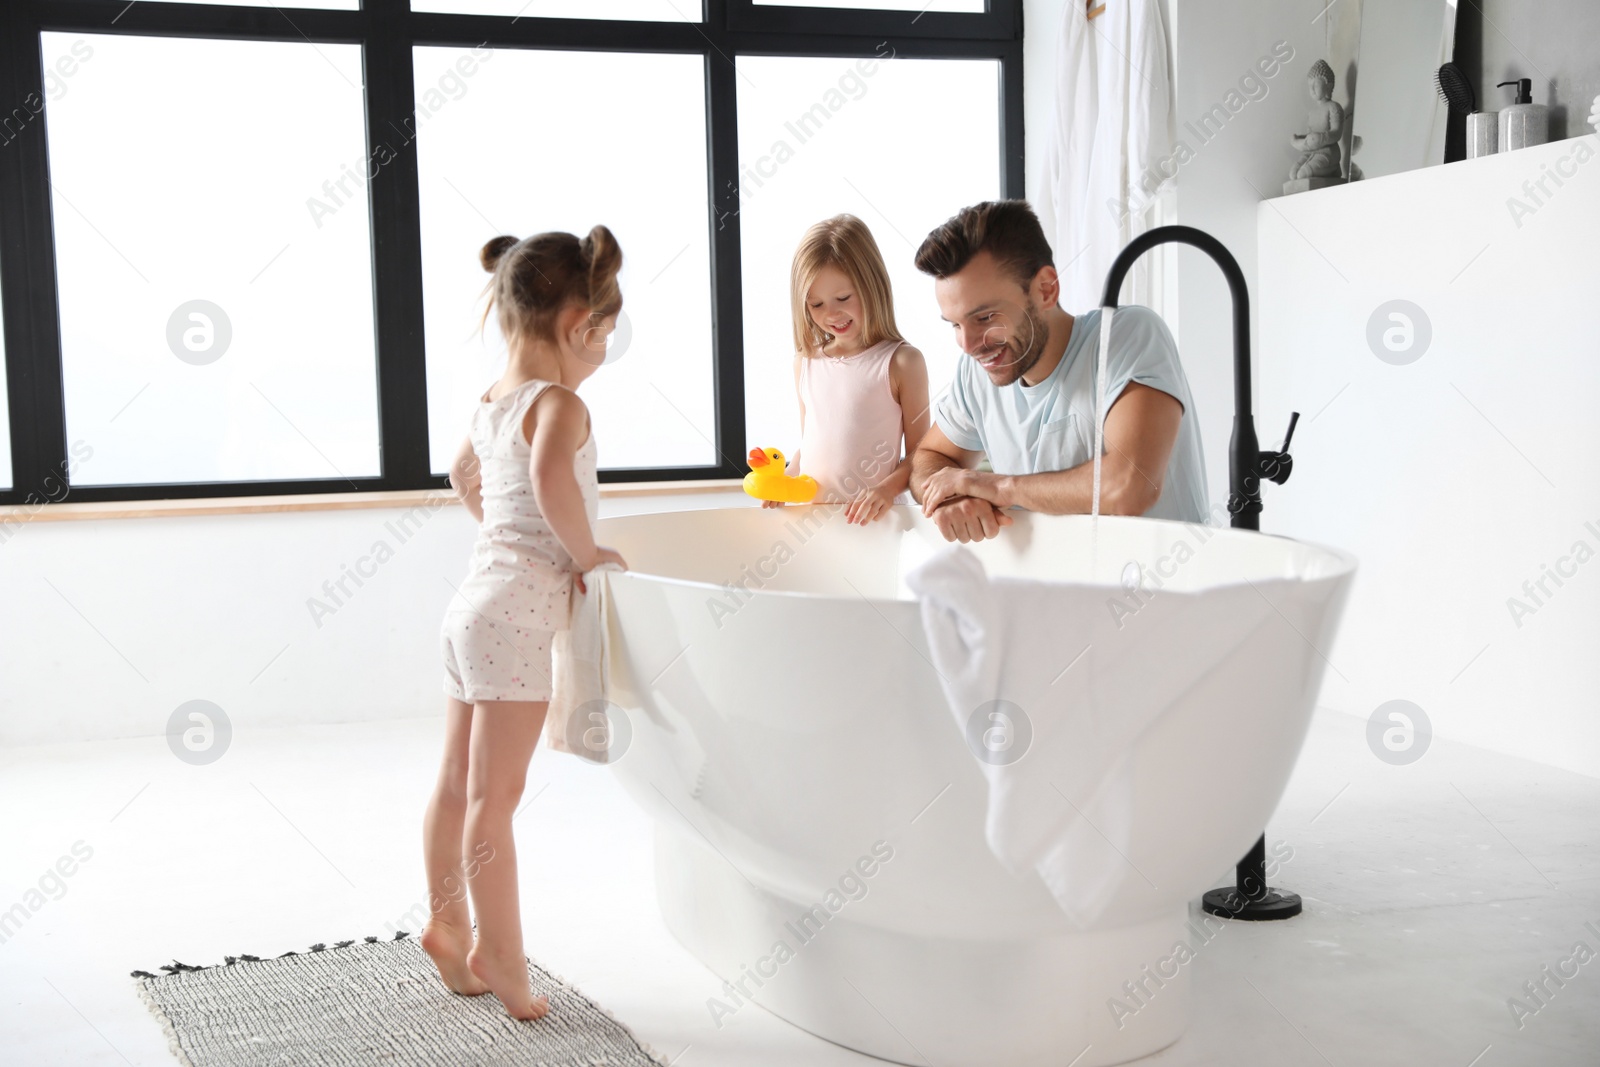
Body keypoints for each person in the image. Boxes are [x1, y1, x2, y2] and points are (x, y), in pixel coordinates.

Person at [422, 227, 628, 1020]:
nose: (602, 352)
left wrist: (500, 526)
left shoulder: (491, 403)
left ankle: (447, 922)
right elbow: (548, 477)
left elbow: (463, 473)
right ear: (580, 324)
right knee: (495, 798)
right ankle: (500, 953)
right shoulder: (560, 404)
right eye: (604, 336)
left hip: (470, 608)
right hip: (512, 616)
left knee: (454, 782)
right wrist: (585, 554)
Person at [910, 200, 1208, 543]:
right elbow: (931, 457)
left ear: (1045, 289)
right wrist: (952, 498)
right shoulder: (976, 373)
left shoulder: (1126, 337)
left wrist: (996, 487)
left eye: (985, 318)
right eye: (955, 325)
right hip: (1052, 591)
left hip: (1163, 589)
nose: (968, 344)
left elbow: (1129, 485)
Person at [765, 214, 930, 525]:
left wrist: (884, 490)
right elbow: (808, 446)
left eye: (842, 298)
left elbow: (921, 455)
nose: (832, 314)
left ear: (871, 285)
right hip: (812, 522)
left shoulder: (902, 362)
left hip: (877, 521)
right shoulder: (805, 363)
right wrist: (785, 479)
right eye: (816, 304)